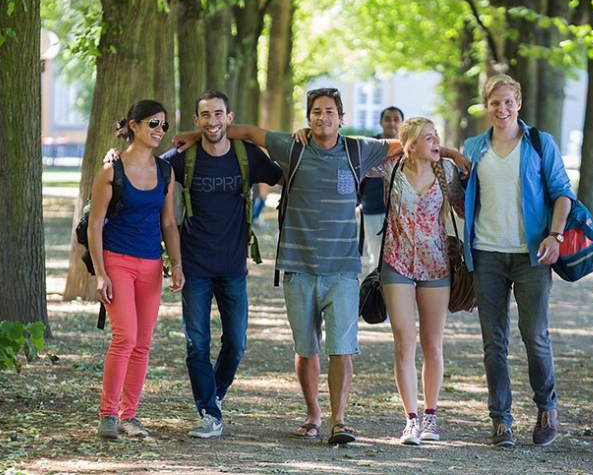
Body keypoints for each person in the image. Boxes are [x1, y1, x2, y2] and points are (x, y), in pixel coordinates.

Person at [173, 87, 470, 445]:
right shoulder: (292, 146)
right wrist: (200, 134)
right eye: (316, 111)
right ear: (308, 116)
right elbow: (250, 132)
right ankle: (313, 414)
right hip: (298, 265)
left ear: (340, 118)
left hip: (343, 267)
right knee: (306, 348)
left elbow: (403, 144)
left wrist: (448, 151)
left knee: (342, 348)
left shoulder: (357, 149)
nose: (323, 117)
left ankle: (338, 420)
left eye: (330, 111)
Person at [461, 74, 574, 448]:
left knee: (535, 336)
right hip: (488, 254)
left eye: (508, 101)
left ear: (519, 103)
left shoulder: (540, 144)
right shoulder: (474, 147)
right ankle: (501, 420)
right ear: (486, 106)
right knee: (494, 342)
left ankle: (546, 409)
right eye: (495, 102)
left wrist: (555, 236)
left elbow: (562, 193)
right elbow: (464, 197)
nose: (502, 109)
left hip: (532, 256)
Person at [161, 89, 282, 438]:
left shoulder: (247, 155)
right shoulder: (183, 158)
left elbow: (285, 177)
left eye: (218, 114)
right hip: (194, 265)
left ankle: (212, 396)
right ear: (197, 120)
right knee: (196, 344)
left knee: (237, 343)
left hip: (233, 266)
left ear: (229, 118)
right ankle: (210, 413)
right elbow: (148, 172)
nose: (212, 121)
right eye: (205, 115)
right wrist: (114, 157)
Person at [89, 99, 185, 439]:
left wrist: (176, 264)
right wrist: (100, 273)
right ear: (134, 125)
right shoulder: (111, 171)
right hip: (117, 261)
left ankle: (130, 415)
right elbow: (95, 225)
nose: (159, 130)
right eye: (153, 124)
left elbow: (169, 223)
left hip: (151, 265)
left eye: (163, 125)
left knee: (143, 342)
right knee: (125, 337)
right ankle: (108, 416)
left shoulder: (165, 171)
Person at [365, 117, 464, 445]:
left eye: (437, 136)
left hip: (436, 265)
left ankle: (431, 417)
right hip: (397, 263)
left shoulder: (446, 172)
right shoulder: (389, 168)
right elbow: (356, 157)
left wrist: (453, 157)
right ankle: (410, 420)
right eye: (428, 138)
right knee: (404, 343)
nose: (436, 142)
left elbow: (465, 209)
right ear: (409, 145)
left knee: (432, 344)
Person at [360, 106, 404, 267]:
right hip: (372, 206)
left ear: (402, 123)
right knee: (376, 253)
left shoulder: (408, 147)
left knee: (400, 254)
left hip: (401, 209)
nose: (392, 123)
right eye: (387, 119)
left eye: (396, 119)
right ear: (380, 122)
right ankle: (375, 290)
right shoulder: (370, 145)